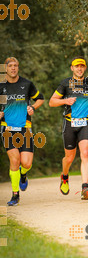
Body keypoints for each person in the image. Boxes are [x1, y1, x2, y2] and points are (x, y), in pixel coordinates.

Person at [49, 56, 88, 200]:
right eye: (76, 66)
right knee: (69, 158)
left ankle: (85, 187)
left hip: (85, 123)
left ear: (85, 68)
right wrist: (65, 100)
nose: (79, 68)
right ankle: (65, 176)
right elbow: (51, 102)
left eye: (82, 66)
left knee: (85, 153)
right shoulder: (65, 84)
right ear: (72, 68)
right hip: (69, 123)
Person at [0, 57, 44, 206]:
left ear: (18, 68)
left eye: (15, 66)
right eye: (10, 66)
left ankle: (23, 174)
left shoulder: (26, 84)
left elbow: (40, 99)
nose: (13, 68)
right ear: (5, 68)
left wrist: (33, 107)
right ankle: (15, 195)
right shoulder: (1, 87)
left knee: (25, 163)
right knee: (14, 160)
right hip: (7, 128)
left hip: (25, 128)